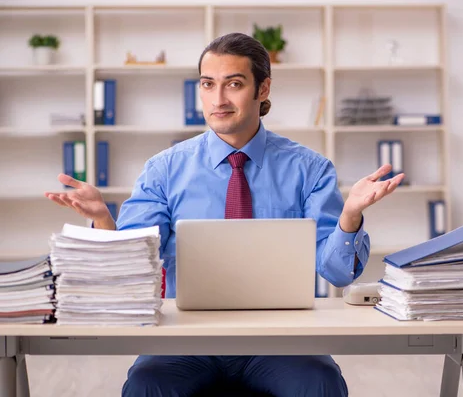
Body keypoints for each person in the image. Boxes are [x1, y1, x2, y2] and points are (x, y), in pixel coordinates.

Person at [45, 32, 405, 397]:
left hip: (281, 340)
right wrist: (105, 222)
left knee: (320, 382)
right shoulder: (164, 169)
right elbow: (133, 265)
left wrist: (350, 218)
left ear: (262, 89)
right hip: (185, 339)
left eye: (233, 84)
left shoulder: (309, 169)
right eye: (207, 84)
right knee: (146, 384)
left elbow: (337, 273)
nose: (218, 99)